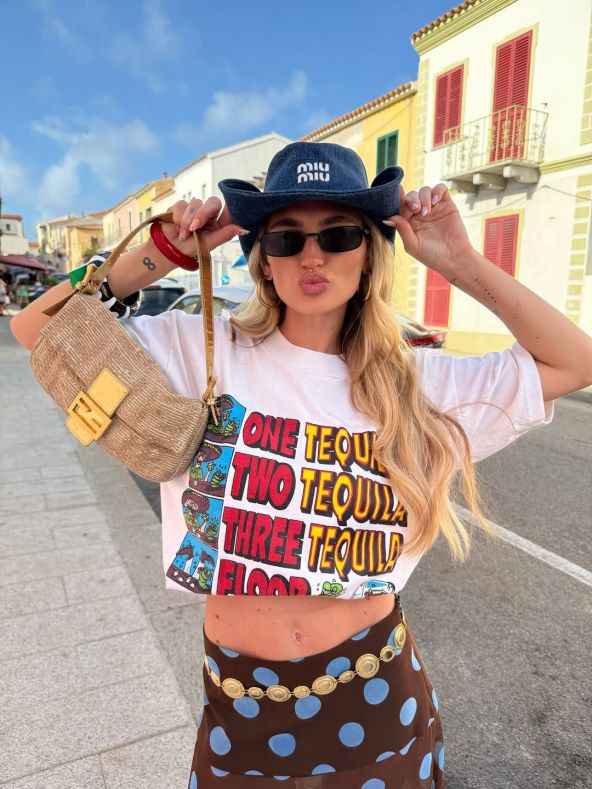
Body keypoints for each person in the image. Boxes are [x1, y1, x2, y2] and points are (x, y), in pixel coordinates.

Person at [10, 141, 592, 788]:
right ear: (262, 261)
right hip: (238, 705)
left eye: (339, 235)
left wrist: (459, 261)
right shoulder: (202, 349)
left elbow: (575, 362)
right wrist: (163, 254)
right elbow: (37, 329)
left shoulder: (420, 383)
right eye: (287, 238)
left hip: (375, 698)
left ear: (369, 254)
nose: (312, 256)